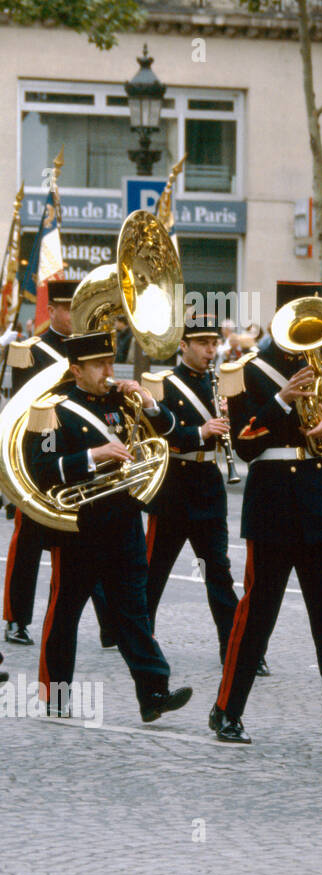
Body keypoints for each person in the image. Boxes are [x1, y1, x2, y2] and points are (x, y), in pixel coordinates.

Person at [209, 281, 322, 754]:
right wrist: (282, 399)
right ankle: (227, 710)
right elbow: (243, 444)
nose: (310, 340)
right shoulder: (245, 373)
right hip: (273, 507)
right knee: (257, 616)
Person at [25, 328, 192, 722]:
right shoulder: (54, 409)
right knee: (66, 611)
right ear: (76, 369)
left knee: (133, 612)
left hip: (124, 520)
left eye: (109, 362)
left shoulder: (123, 401)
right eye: (98, 365)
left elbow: (169, 433)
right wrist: (94, 454)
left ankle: (154, 693)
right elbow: (42, 468)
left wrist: (150, 403)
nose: (107, 371)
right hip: (79, 526)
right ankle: (56, 696)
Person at [4, 278, 119, 652]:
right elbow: (25, 409)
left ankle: (110, 626)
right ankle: (16, 619)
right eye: (68, 308)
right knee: (29, 543)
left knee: (92, 539)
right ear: (51, 310)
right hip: (45, 446)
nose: (75, 315)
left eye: (79, 307)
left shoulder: (92, 349)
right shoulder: (31, 350)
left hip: (84, 450)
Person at [141, 315, 241, 670]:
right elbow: (156, 434)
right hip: (173, 488)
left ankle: (233, 648)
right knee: (153, 573)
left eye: (214, 344)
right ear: (183, 346)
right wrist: (201, 432)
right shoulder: (163, 384)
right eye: (202, 344)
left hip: (208, 488)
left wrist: (231, 419)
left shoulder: (220, 383)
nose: (210, 350)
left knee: (218, 573)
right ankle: (140, 642)